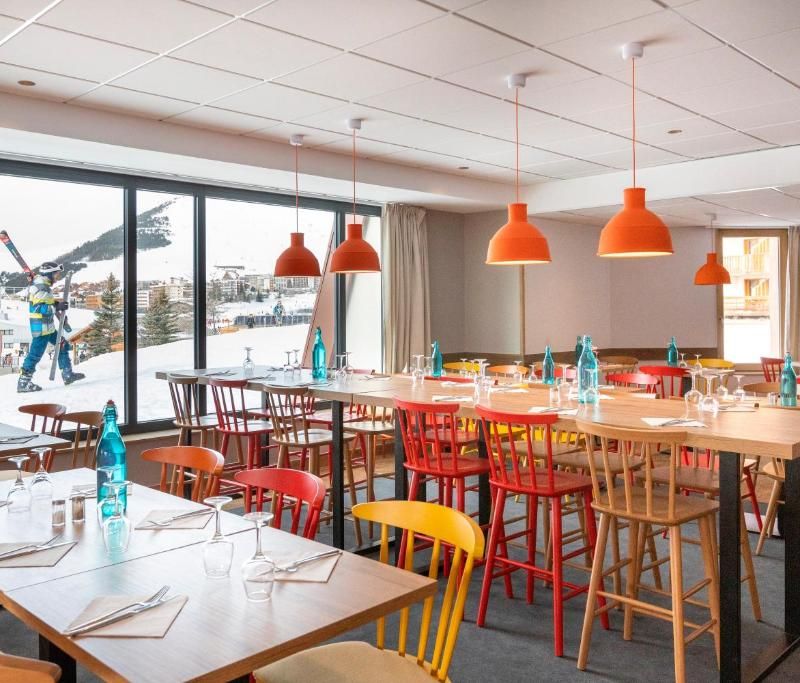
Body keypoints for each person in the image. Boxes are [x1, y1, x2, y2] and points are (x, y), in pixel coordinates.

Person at [17, 261, 85, 393]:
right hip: (40, 328)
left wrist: (56, 305)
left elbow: (46, 301)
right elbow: (37, 308)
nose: (57, 277)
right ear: (49, 274)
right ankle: (23, 382)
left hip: (48, 327)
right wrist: (56, 307)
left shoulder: (43, 284)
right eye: (56, 274)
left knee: (62, 344)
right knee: (35, 354)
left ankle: (67, 374)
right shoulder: (39, 287)